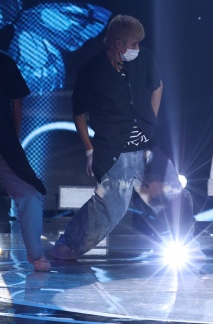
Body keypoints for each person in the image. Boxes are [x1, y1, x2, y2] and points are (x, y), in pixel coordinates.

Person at [50, 15, 197, 260]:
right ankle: (69, 244)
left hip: (149, 147)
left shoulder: (144, 58)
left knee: (174, 193)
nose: (138, 48)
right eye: (134, 44)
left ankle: (188, 243)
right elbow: (78, 113)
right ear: (118, 44)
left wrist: (150, 120)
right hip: (114, 150)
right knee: (111, 205)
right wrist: (89, 150)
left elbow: (157, 85)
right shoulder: (92, 70)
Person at [0, 51, 51, 272]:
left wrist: (13, 138)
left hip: (4, 143)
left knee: (30, 194)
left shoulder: (4, 61)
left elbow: (17, 101)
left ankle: (36, 255)